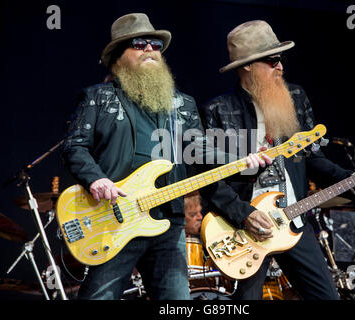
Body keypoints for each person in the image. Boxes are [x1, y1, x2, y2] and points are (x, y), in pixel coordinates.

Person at [61, 13, 270, 300]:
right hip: (115, 217)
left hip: (168, 224)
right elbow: (74, 146)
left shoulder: (182, 104)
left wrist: (241, 158)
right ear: (118, 57)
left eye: (155, 45)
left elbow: (200, 150)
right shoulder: (97, 98)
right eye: (139, 44)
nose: (150, 49)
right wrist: (96, 179)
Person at [199, 20, 355, 300]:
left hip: (293, 220)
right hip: (245, 227)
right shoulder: (217, 110)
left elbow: (314, 160)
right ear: (247, 66)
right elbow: (210, 181)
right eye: (271, 61)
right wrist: (244, 214)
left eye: (281, 60)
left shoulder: (296, 98)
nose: (280, 67)